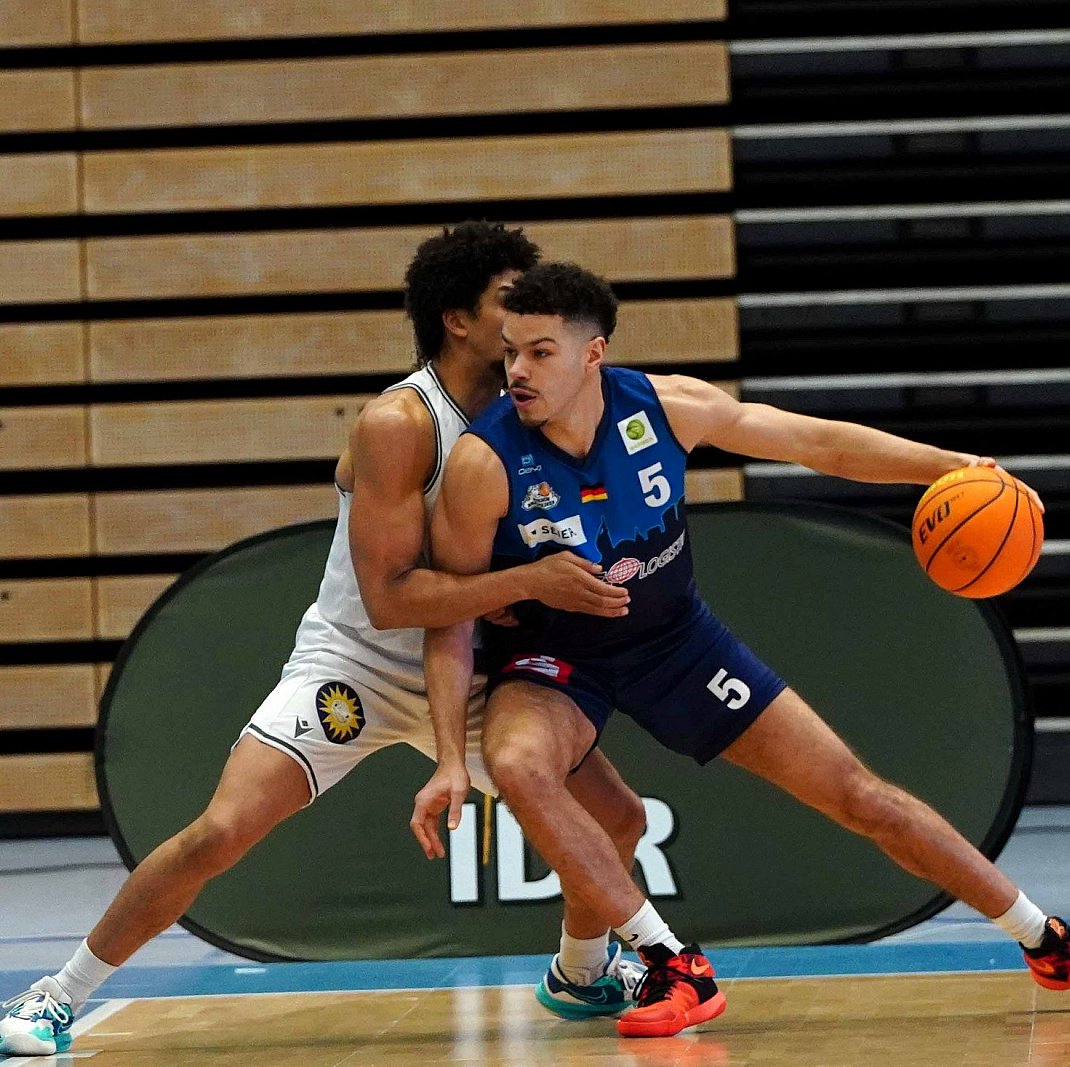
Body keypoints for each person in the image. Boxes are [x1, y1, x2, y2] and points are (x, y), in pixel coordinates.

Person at [415, 260, 1070, 1041]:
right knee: (518, 761)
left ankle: (1047, 940)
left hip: (675, 642)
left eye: (540, 352)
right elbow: (447, 613)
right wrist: (449, 749)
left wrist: (954, 467)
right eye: (511, 351)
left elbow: (816, 442)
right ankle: (669, 960)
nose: (517, 370)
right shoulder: (484, 462)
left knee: (861, 796)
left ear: (592, 354)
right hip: (555, 658)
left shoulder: (666, 407)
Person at [0, 224, 645, 1057]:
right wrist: (529, 583)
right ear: (457, 320)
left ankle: (581, 970)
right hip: (358, 665)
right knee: (222, 830)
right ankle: (57, 993)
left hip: (470, 669)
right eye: (508, 301)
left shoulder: (536, 412)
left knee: (618, 819)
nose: (529, 316)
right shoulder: (400, 421)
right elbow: (390, 599)